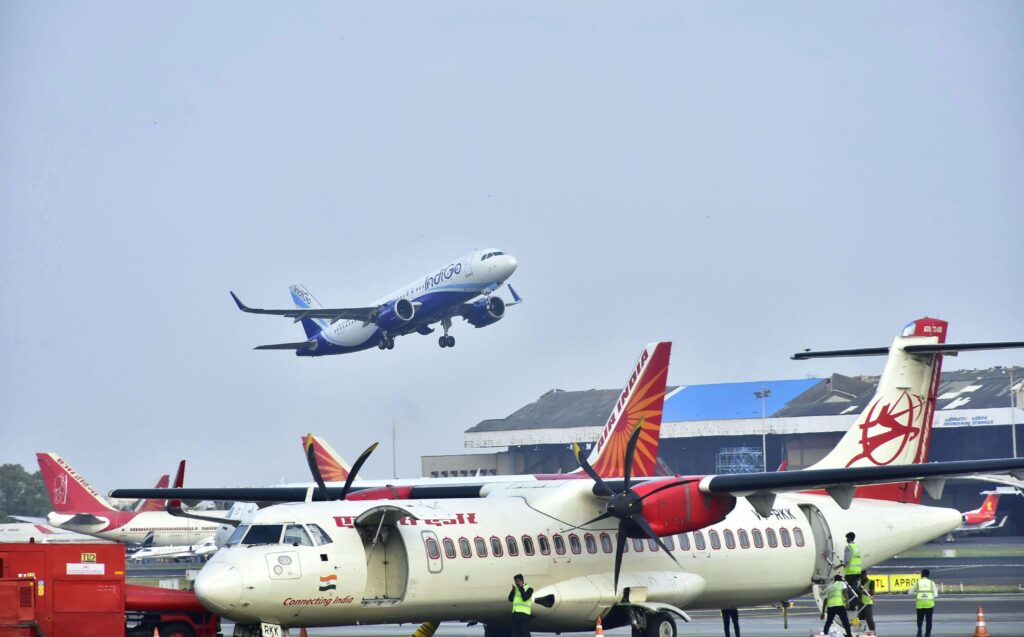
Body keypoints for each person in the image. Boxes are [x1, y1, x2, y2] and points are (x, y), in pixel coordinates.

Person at [908, 568, 937, 637]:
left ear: (921, 575)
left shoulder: (917, 582)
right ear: (928, 575)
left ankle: (919, 630)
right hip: (929, 604)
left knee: (919, 619)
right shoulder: (931, 583)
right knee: (929, 621)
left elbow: (910, 592)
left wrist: (917, 592)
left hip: (920, 604)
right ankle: (927, 634)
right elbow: (936, 595)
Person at [841, 532, 863, 610]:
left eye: (847, 538)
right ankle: (852, 606)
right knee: (853, 588)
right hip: (857, 572)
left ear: (849, 538)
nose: (846, 539)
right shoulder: (856, 547)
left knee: (846, 589)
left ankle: (856, 601)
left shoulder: (848, 547)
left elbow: (846, 561)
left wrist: (840, 565)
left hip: (850, 572)